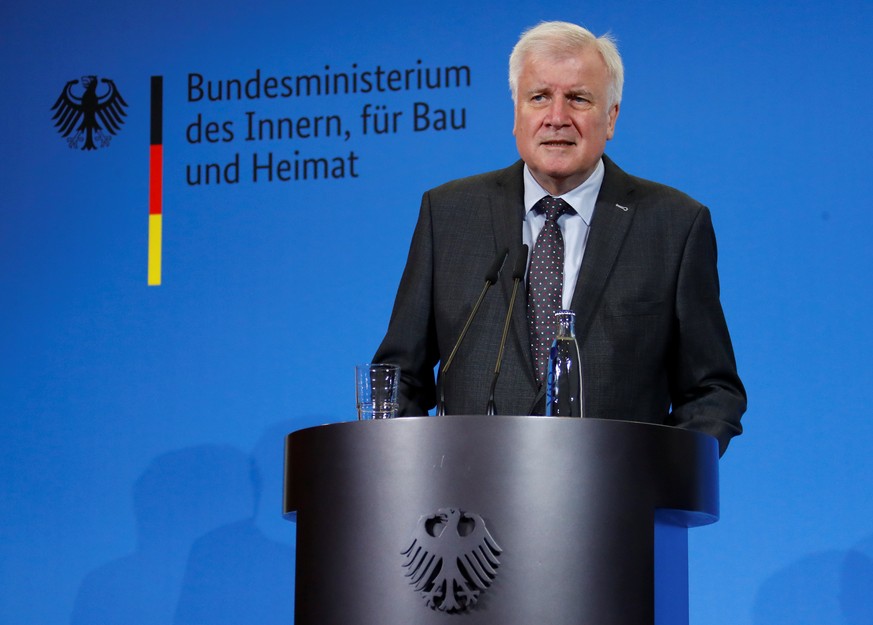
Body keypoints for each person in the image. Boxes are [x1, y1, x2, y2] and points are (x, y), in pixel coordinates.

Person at [373, 21, 746, 455]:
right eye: (539, 97)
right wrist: (405, 470)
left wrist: (662, 476)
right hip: (468, 503)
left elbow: (712, 391)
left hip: (615, 505)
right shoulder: (449, 214)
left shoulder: (673, 224)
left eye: (578, 98)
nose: (557, 117)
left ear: (611, 118)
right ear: (516, 113)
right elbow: (400, 376)